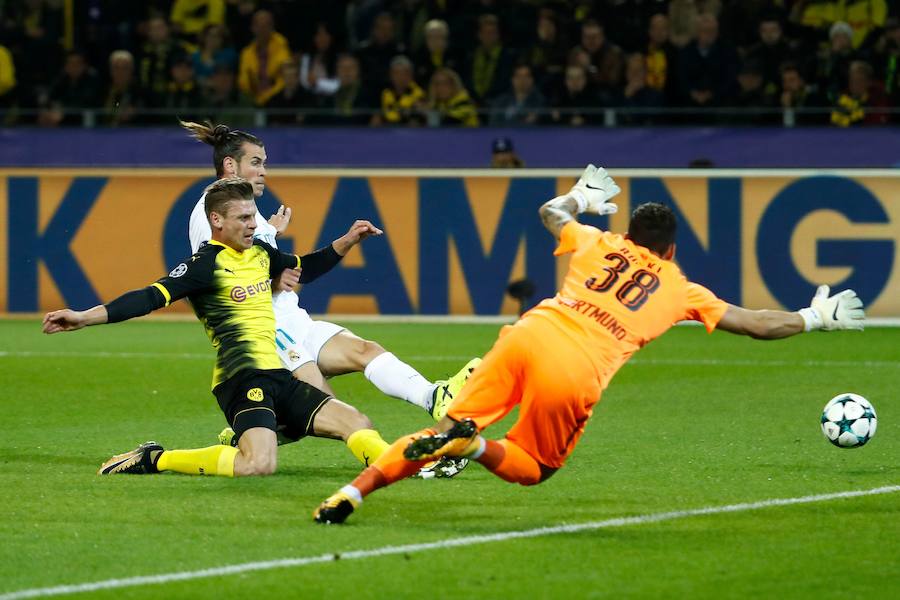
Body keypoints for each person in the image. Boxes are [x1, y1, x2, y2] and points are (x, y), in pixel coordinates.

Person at [313, 164, 866, 524]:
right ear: (670, 250)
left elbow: (550, 214)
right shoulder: (679, 288)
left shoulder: (596, 241)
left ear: (628, 236)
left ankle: (350, 496)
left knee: (440, 428)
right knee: (534, 466)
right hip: (575, 368)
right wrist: (815, 316)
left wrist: (578, 197)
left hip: (529, 333)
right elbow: (756, 323)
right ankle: (476, 447)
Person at [181, 120, 477, 476]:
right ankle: (413, 463)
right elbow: (219, 277)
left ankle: (434, 397)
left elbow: (289, 271)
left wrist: (344, 242)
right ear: (231, 166)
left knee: (365, 350)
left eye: (264, 162)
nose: (264, 171)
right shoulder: (209, 214)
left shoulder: (249, 212)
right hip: (267, 332)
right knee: (333, 412)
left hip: (293, 320)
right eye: (256, 162)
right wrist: (269, 248)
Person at [43, 178, 389, 478]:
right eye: (243, 218)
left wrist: (347, 240)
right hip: (241, 378)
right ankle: (155, 459)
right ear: (217, 219)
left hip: (280, 374)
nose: (253, 224)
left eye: (253, 215)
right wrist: (83, 317)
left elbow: (305, 268)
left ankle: (402, 465)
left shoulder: (261, 254)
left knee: (358, 424)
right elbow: (148, 298)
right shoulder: (203, 265)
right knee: (258, 465)